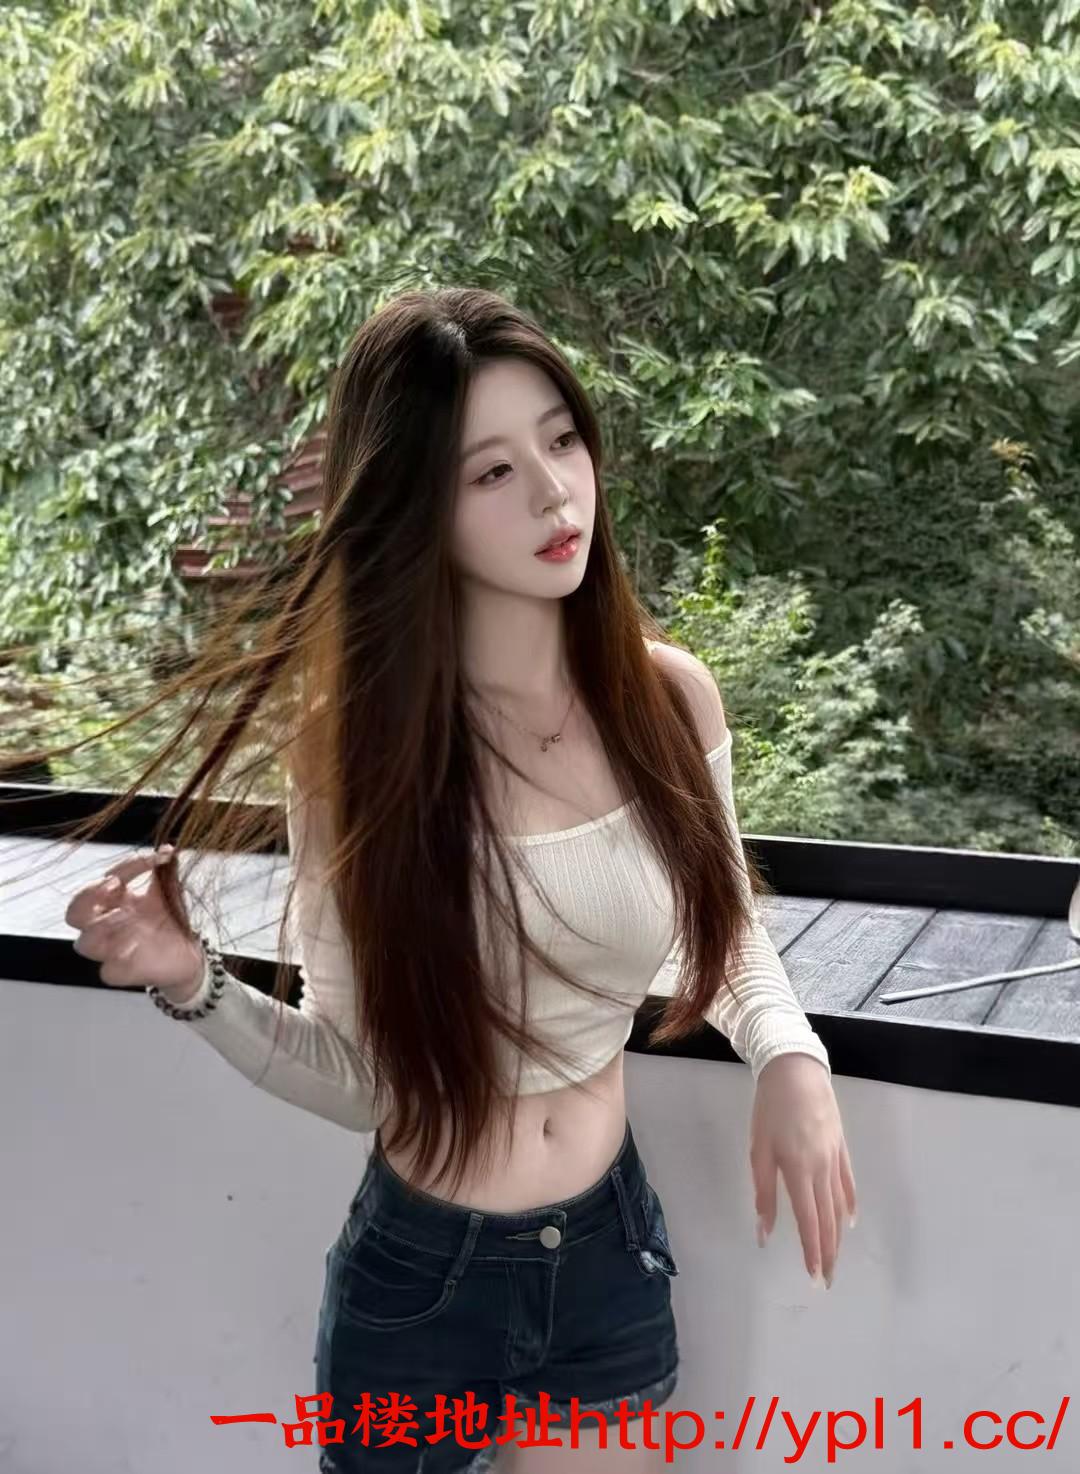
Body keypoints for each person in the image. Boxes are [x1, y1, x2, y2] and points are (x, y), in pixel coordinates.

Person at [65, 288, 857, 1473]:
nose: (553, 493)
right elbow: (361, 1082)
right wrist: (193, 981)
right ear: (417, 508)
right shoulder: (358, 757)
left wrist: (791, 1055)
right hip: (420, 1287)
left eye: (561, 439)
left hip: (606, 1262)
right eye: (491, 471)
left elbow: (719, 922)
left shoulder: (668, 701)